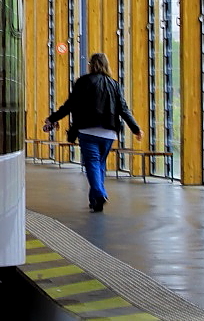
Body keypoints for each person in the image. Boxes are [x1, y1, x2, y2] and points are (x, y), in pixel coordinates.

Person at [42, 53, 142, 213]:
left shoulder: (83, 82)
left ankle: (100, 193)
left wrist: (52, 118)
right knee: (99, 164)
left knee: (92, 163)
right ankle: (95, 201)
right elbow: (123, 109)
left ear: (91, 65)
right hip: (109, 133)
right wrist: (136, 128)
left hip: (87, 130)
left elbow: (70, 105)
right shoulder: (114, 84)